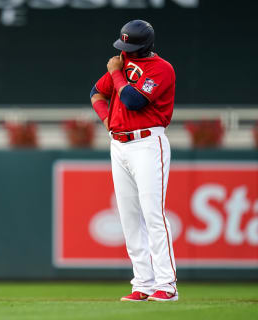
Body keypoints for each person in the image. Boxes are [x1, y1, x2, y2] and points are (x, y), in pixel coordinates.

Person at [90, 20, 178, 302]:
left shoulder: (162, 69)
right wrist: (105, 118)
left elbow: (132, 100)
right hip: (119, 144)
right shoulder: (125, 60)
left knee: (153, 214)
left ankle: (167, 285)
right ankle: (143, 283)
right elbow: (95, 92)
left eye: (131, 46)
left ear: (146, 45)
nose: (125, 50)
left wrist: (116, 72)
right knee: (129, 218)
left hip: (148, 143)